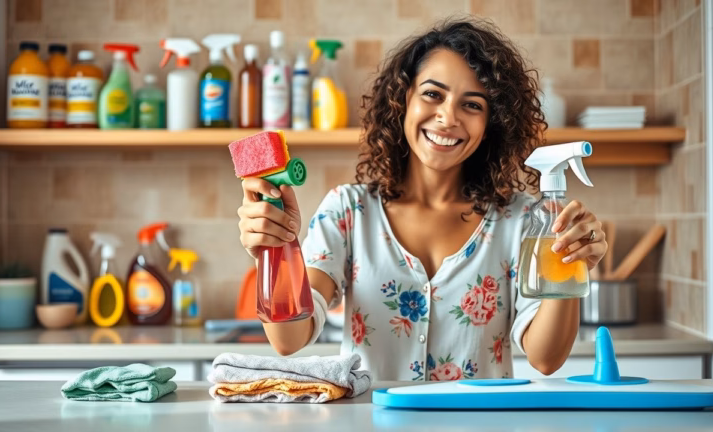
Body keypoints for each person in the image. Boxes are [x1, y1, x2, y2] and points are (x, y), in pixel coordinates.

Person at [237, 18, 608, 381]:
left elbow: (545, 359)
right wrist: (276, 250)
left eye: (473, 104)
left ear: (493, 122)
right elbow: (289, 340)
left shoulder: (524, 219)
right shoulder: (348, 212)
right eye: (433, 94)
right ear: (403, 100)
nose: (448, 117)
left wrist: (570, 263)